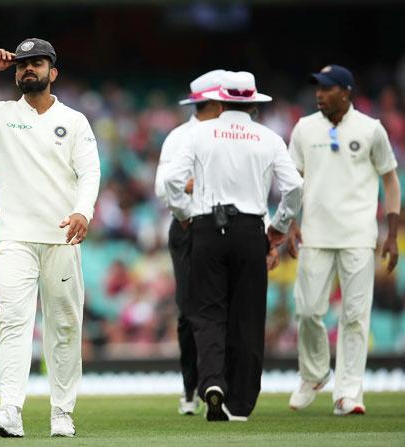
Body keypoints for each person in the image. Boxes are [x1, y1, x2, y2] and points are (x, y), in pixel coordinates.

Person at [0, 38, 100, 438]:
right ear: (15, 72)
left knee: (64, 326)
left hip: (62, 238)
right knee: (13, 320)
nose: (29, 69)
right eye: (23, 64)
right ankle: (10, 408)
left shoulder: (75, 121)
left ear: (53, 72)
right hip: (16, 240)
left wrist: (84, 211)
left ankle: (62, 411)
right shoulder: (2, 115)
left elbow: (90, 172)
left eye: (38, 63)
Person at [165, 71, 303, 422]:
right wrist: (278, 228)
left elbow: (172, 182)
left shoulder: (199, 133)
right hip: (249, 229)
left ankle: (212, 382)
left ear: (221, 100)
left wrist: (184, 215)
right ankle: (239, 403)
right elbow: (295, 189)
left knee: (207, 313)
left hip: (207, 228)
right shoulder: (268, 137)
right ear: (254, 103)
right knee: (247, 316)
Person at [287, 65, 400, 415]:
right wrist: (290, 221)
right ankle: (314, 374)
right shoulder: (305, 128)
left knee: (354, 317)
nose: (319, 94)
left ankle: (348, 393)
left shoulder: (371, 130)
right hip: (315, 235)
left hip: (358, 236)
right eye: (317, 89)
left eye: (327, 88)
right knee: (307, 311)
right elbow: (294, 180)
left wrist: (392, 233)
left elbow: (391, 181)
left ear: (346, 92)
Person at [154, 69, 226, 415]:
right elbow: (162, 185)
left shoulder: (228, 135)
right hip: (188, 225)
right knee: (188, 311)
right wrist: (199, 186)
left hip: (225, 225)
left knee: (224, 307)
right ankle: (190, 388)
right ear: (211, 104)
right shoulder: (180, 137)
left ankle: (220, 382)